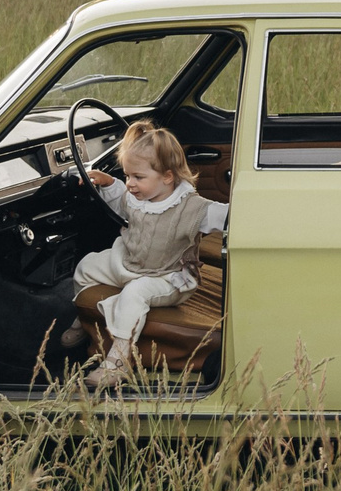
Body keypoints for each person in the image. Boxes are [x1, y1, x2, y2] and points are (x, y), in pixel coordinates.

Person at [76, 123, 229, 388]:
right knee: (85, 266)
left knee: (135, 292)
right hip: (130, 263)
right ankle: (85, 321)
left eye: (137, 177)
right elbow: (120, 200)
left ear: (167, 177)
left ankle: (118, 360)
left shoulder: (191, 208)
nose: (130, 184)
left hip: (168, 277)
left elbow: (227, 216)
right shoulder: (138, 195)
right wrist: (109, 182)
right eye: (127, 176)